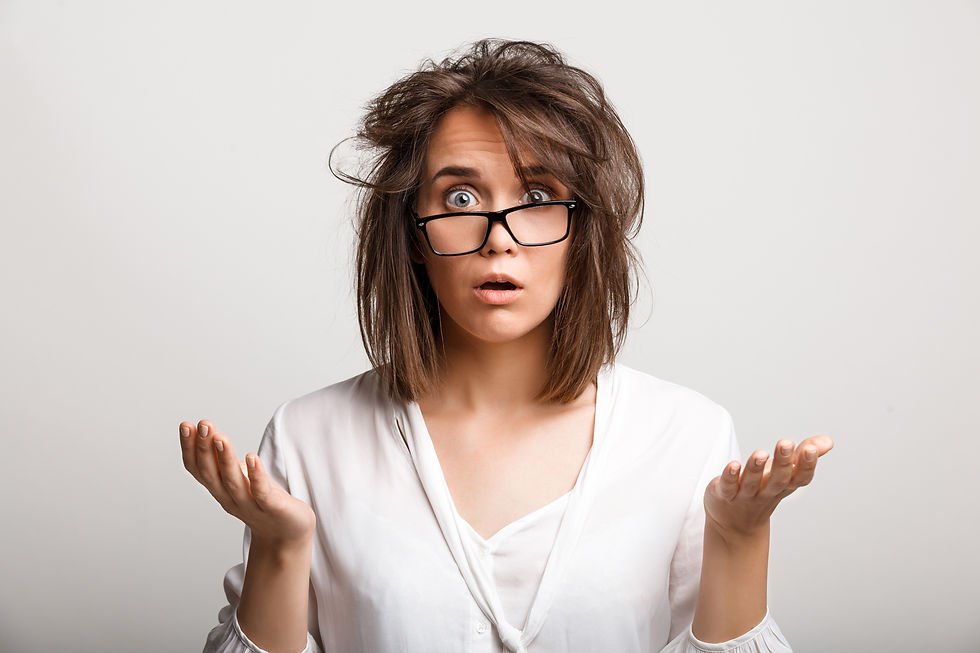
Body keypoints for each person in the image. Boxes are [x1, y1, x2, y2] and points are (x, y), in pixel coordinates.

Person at [179, 39, 833, 653]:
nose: (500, 237)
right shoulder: (308, 436)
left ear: (582, 231)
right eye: (460, 196)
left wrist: (740, 536)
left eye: (539, 195)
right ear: (413, 232)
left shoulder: (686, 436)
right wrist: (280, 546)